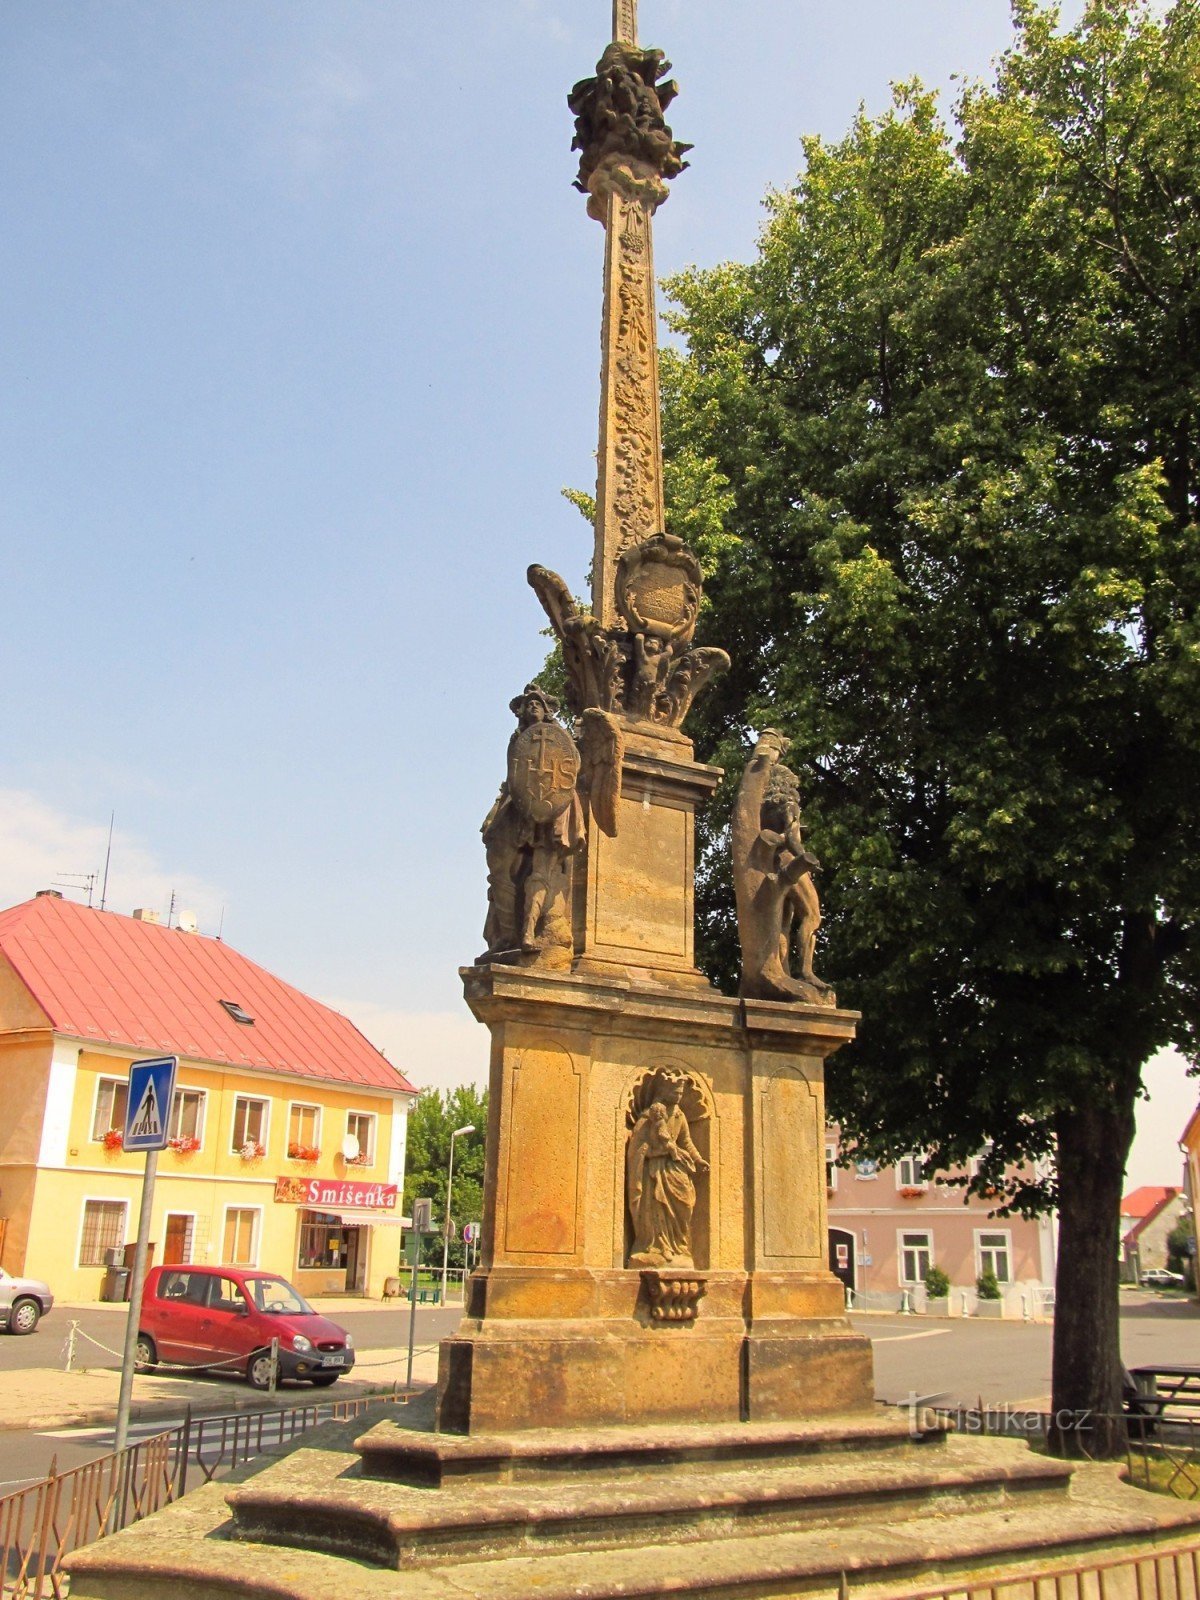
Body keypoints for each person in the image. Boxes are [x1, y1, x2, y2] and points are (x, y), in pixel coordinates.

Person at [627, 1075, 708, 1268]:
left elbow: (686, 1141)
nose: (679, 1095)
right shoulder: (650, 1115)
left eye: (681, 1092)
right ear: (664, 1091)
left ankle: (678, 1244)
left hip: (676, 1166)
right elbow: (637, 1144)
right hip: (655, 1170)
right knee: (657, 1205)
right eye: (675, 1092)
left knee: (685, 1203)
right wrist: (653, 1151)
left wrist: (698, 1159)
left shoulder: (680, 1115)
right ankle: (657, 1245)